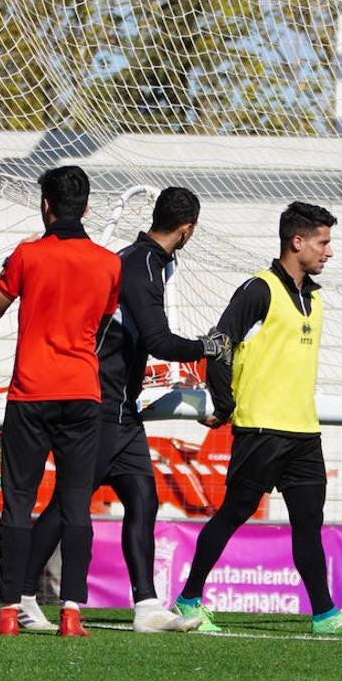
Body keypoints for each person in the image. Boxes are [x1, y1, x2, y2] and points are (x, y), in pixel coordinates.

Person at [18, 187, 228, 633]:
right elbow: (158, 340)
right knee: (67, 504)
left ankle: (147, 605)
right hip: (99, 404)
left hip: (121, 408)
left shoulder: (142, 260)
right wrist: (209, 347)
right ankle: (21, 596)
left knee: (143, 499)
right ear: (187, 230)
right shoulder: (141, 264)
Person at [170, 202, 342, 635]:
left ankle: (324, 615)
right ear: (297, 242)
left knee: (309, 523)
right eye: (323, 242)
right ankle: (189, 599)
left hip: (303, 430)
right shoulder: (258, 289)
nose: (329, 252)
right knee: (233, 514)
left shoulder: (314, 298)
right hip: (262, 426)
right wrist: (224, 404)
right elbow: (220, 345)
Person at [0, 166, 120, 638]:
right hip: (82, 391)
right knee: (77, 504)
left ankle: (6, 614)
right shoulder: (108, 263)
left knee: (18, 501)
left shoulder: (26, 255)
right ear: (87, 207)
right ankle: (72, 613)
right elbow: (102, 318)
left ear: (45, 205)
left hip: (32, 391)